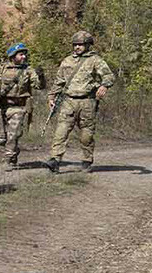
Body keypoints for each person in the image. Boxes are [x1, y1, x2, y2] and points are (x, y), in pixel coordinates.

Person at [45, 31, 115, 173]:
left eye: (80, 45)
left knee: (86, 135)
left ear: (88, 45)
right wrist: (51, 96)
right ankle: (55, 160)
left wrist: (104, 85)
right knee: (61, 131)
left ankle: (86, 160)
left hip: (87, 102)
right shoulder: (67, 61)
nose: (77, 47)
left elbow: (109, 76)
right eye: (75, 44)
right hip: (68, 101)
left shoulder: (95, 60)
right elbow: (59, 81)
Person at [0, 42, 44, 170]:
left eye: (24, 55)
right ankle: (13, 152)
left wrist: (41, 76)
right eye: (21, 54)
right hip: (2, 106)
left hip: (19, 107)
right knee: (2, 138)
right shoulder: (1, 69)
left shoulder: (28, 71)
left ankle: (8, 160)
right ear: (13, 56)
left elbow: (38, 86)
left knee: (13, 134)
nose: (24, 57)